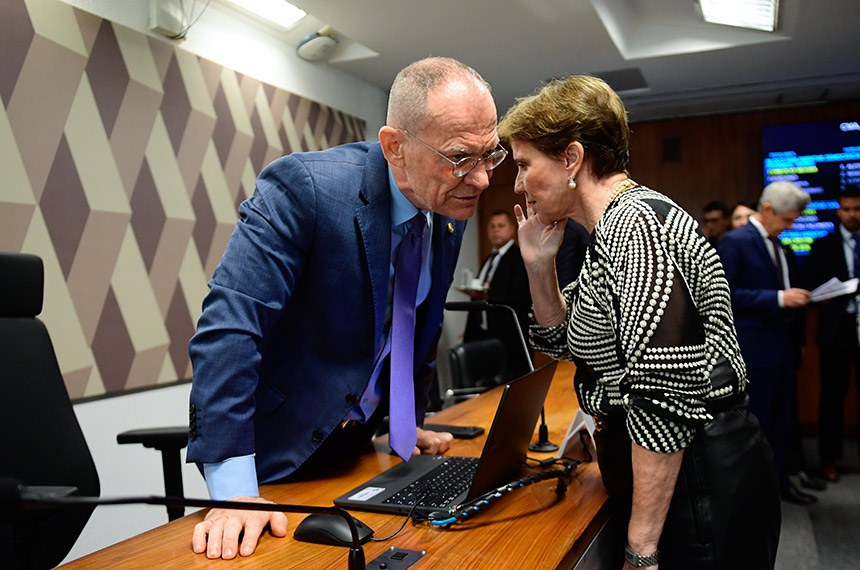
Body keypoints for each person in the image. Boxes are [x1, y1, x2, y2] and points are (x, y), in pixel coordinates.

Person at [186, 57, 506, 560]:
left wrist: (404, 418)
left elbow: (416, 321)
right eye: (462, 157)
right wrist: (235, 492)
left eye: (492, 155)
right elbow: (229, 327)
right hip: (274, 463)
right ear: (394, 148)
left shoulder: (445, 204)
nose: (483, 179)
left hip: (357, 455)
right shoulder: (306, 189)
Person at [499, 75, 780, 569]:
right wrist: (539, 266)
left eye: (524, 165)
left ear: (571, 159)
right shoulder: (610, 230)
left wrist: (641, 550)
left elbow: (663, 400)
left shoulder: (638, 227)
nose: (518, 184)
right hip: (674, 471)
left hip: (698, 478)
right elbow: (565, 342)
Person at [718, 182, 819, 505]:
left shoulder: (780, 245)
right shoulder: (736, 242)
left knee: (782, 422)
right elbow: (726, 294)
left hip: (783, 345)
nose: (790, 227)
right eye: (788, 220)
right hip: (756, 350)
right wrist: (778, 298)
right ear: (766, 210)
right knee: (759, 424)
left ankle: (781, 482)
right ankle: (760, 493)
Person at [805, 184, 860, 482]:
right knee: (833, 396)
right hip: (837, 328)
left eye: (857, 209)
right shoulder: (823, 244)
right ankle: (829, 459)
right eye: (847, 209)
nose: (852, 215)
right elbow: (810, 282)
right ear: (839, 210)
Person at [463, 209, 532, 375]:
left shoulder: (520, 257)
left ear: (512, 229)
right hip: (483, 336)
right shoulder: (489, 259)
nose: (495, 230)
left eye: (501, 226)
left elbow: (520, 297)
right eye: (492, 226)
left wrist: (486, 296)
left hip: (510, 338)